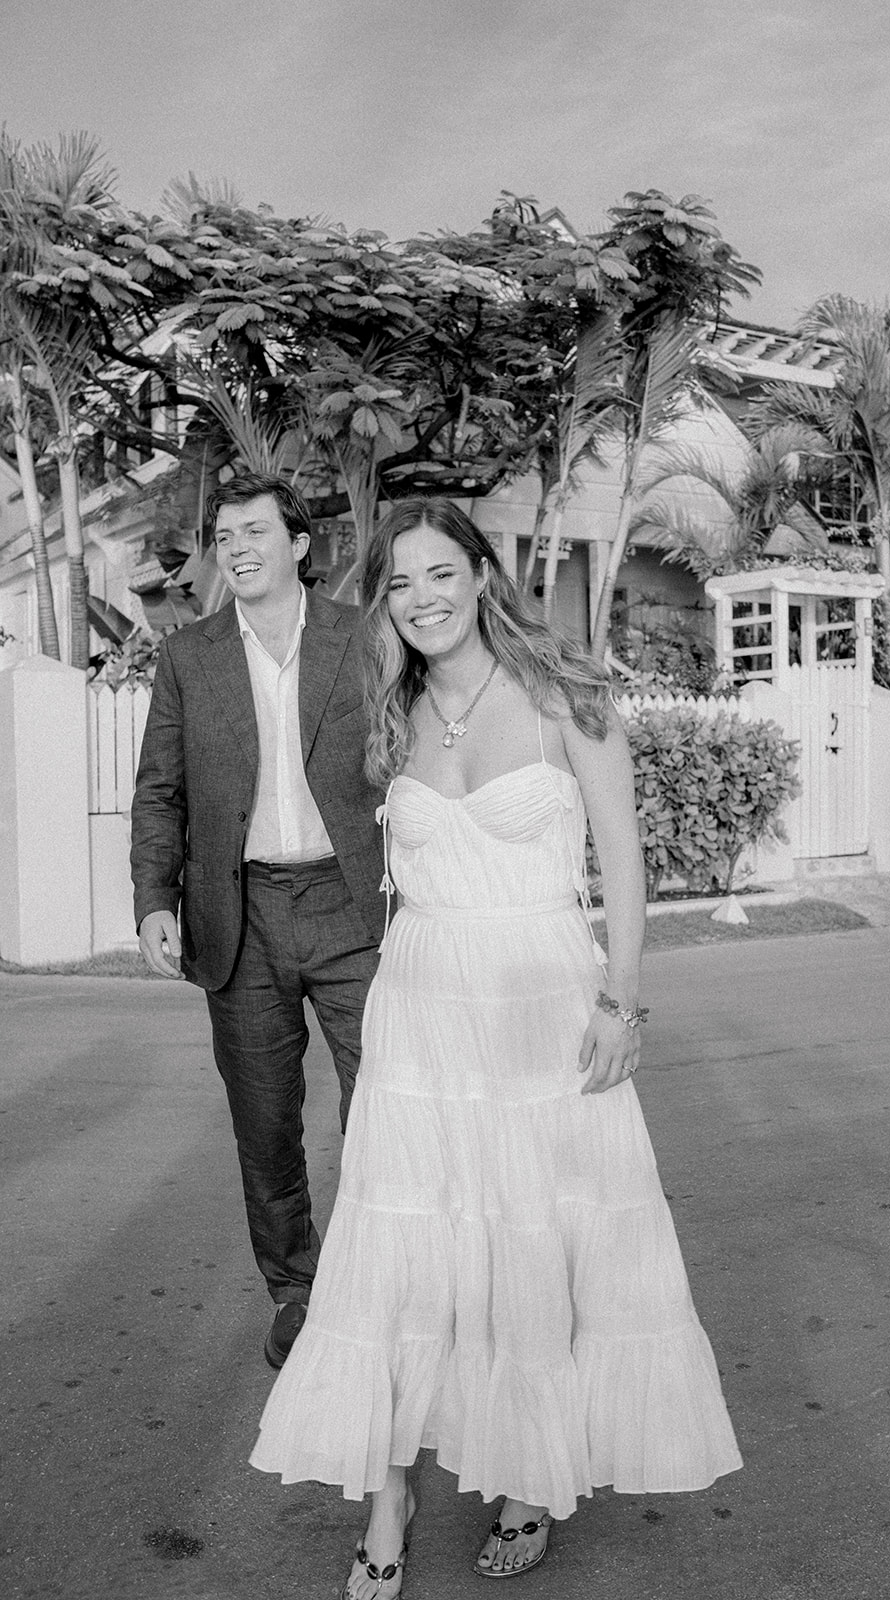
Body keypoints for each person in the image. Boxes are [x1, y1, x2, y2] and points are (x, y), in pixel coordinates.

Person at [250, 498, 742, 1595]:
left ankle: (526, 1474)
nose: (421, 599)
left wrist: (621, 1001)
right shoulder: (384, 711)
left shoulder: (566, 693)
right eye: (399, 584)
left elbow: (621, 858)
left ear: (480, 576)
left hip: (544, 1002)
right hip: (421, 1010)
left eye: (439, 574)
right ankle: (388, 1491)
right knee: (405, 1255)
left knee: (533, 1236)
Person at [130, 472, 383, 1370]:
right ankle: (297, 1291)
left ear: (299, 543)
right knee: (266, 1122)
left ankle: (377, 1280)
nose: (235, 548)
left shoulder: (365, 638)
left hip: (356, 908)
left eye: (253, 532)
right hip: (237, 915)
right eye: (224, 536)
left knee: (384, 1106)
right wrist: (156, 902)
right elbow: (161, 790)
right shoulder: (189, 655)